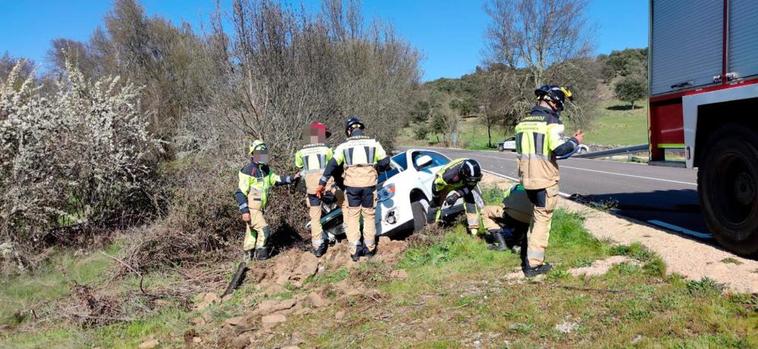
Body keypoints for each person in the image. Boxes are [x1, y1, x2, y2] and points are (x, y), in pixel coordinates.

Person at [514, 85, 584, 277]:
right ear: (554, 102)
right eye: (559, 106)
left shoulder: (522, 123)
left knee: (536, 217)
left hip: (527, 179)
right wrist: (575, 141)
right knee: (542, 220)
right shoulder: (551, 122)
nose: (558, 110)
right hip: (545, 180)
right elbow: (561, 150)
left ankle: (528, 253)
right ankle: (534, 264)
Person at [316, 116, 390, 262]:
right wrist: (377, 170)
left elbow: (332, 165)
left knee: (353, 217)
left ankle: (355, 250)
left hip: (352, 188)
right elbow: (385, 162)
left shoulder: (344, 147)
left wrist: (322, 182)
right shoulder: (374, 143)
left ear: (349, 131)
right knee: (369, 216)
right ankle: (369, 249)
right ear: (361, 129)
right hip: (369, 186)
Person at [234, 140, 299, 261]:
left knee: (252, 234)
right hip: (252, 209)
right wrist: (244, 211)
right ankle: (261, 259)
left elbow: (276, 179)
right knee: (264, 230)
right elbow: (239, 192)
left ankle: (247, 261)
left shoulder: (266, 169)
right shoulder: (247, 170)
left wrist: (292, 178)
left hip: (260, 208)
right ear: (253, 154)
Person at [295, 121, 336, 257]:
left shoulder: (301, 153)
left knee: (315, 217)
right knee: (346, 203)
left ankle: (318, 246)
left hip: (312, 189)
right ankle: (349, 231)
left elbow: (299, 165)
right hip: (327, 187)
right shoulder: (327, 150)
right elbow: (333, 165)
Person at [432, 158, 484, 235]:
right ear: (462, 173)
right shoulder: (447, 176)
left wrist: (456, 195)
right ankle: (434, 227)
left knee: (469, 198)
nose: (472, 183)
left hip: (462, 181)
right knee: (437, 204)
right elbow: (436, 188)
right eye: (470, 180)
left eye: (474, 180)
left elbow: (470, 187)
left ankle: (474, 228)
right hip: (445, 185)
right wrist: (437, 199)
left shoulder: (473, 174)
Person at [481, 184, 533, 253]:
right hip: (530, 218)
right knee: (521, 221)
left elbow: (504, 202)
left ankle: (500, 243)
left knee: (485, 210)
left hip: (512, 214)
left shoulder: (516, 186)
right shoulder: (536, 186)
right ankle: (518, 244)